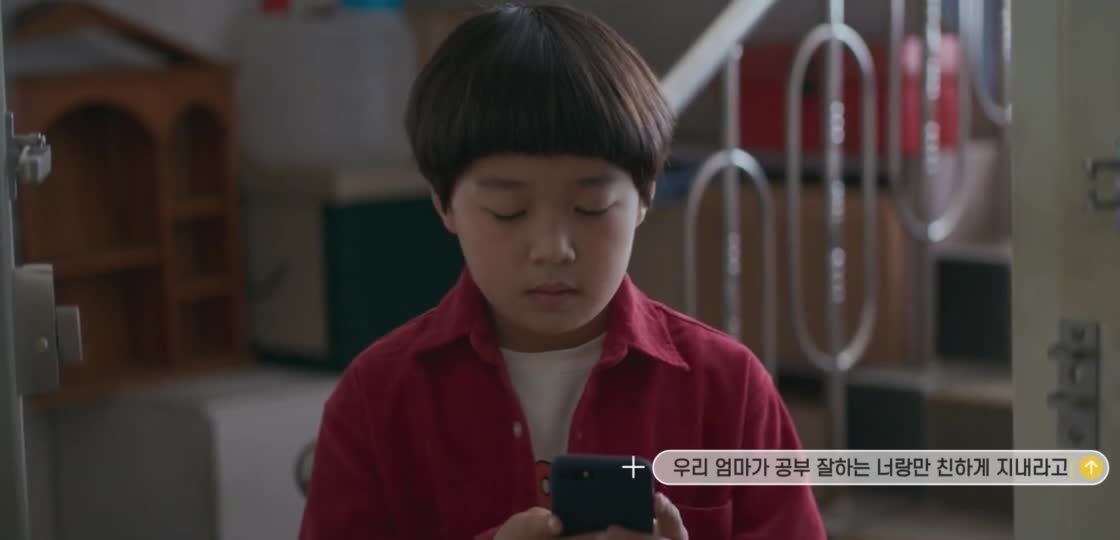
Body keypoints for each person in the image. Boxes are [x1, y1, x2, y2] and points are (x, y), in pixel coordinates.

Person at [299, 3, 825, 539]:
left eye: (591, 208)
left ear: (644, 198)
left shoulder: (728, 388)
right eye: (508, 211)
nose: (553, 249)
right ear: (444, 204)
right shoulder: (377, 397)